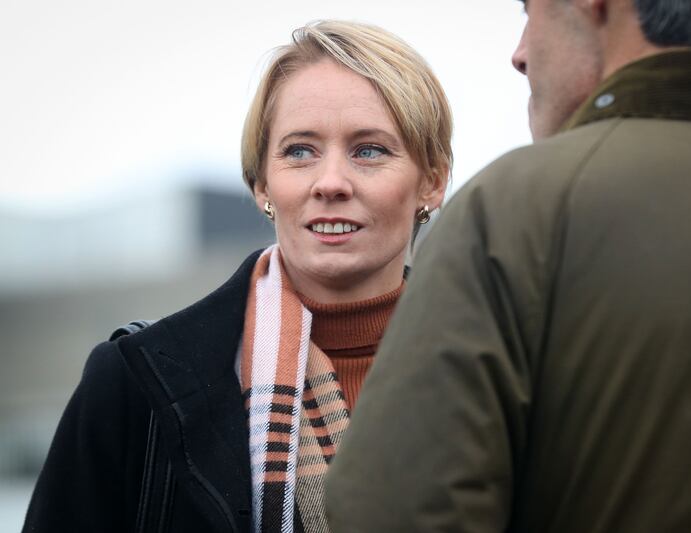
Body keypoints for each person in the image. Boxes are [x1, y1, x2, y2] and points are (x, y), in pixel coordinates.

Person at [325, 1, 691, 531]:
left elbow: (395, 510)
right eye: (299, 151)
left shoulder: (517, 209)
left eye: (532, 10)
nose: (519, 54)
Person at [23, 20, 451, 532]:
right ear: (262, 185)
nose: (331, 182)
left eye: (369, 150)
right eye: (299, 151)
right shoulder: (133, 384)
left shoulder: (503, 369)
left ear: (432, 181)